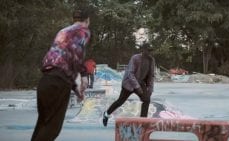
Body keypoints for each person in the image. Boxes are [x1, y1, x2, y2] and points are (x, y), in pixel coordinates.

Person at [31, 8, 91, 141]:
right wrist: (84, 75)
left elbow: (61, 64)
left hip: (46, 81)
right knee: (52, 129)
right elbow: (77, 54)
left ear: (73, 19)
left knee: (43, 124)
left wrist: (75, 89)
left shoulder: (63, 31)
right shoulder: (83, 31)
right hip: (59, 83)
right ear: (87, 20)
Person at [102, 43, 155, 127]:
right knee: (120, 101)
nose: (149, 53)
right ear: (143, 50)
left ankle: (142, 122)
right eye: (147, 50)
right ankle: (106, 114)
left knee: (147, 99)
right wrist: (137, 87)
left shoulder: (151, 60)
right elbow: (130, 74)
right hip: (129, 84)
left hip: (140, 83)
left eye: (150, 51)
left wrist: (150, 89)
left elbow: (151, 75)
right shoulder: (135, 58)